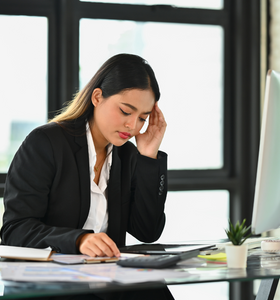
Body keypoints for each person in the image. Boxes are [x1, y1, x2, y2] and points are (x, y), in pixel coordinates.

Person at [0, 53, 173, 299]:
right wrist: (78, 240)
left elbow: (147, 231)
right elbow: (15, 230)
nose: (133, 126)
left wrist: (148, 157)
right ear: (97, 97)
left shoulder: (128, 155)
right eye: (126, 111)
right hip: (50, 282)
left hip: (105, 281)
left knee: (155, 289)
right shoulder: (45, 143)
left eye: (143, 118)